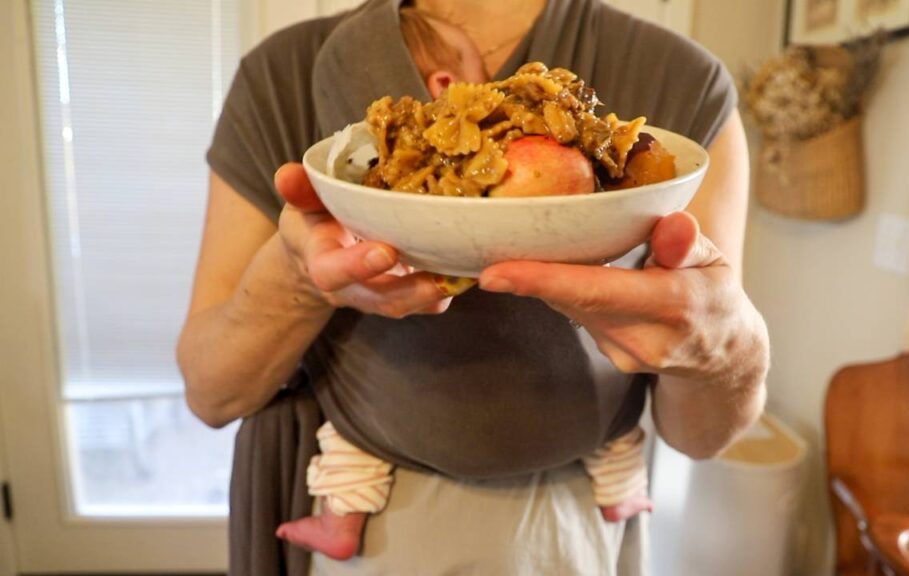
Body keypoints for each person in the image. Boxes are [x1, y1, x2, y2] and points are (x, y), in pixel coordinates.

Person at [177, 0, 769, 574]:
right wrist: (298, 278)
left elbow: (702, 434)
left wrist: (731, 356)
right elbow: (212, 393)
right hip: (360, 505)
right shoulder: (285, 72)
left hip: (577, 516)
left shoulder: (684, 80)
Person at [273, 7, 654, 560]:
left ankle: (341, 517)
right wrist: (295, 270)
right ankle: (624, 491)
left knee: (618, 426)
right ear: (447, 85)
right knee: (618, 432)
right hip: (400, 472)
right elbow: (211, 392)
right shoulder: (309, 69)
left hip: (574, 493)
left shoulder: (669, 73)